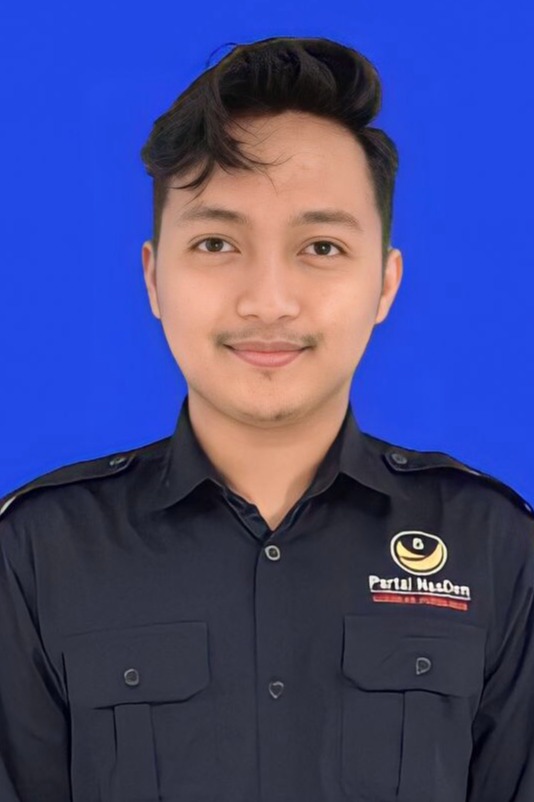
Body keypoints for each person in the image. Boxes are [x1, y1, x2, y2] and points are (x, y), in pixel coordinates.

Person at [1, 35, 533, 802]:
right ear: (154, 278)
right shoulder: (36, 553)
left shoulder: (496, 546)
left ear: (385, 284)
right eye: (217, 242)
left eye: (321, 246)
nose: (268, 301)